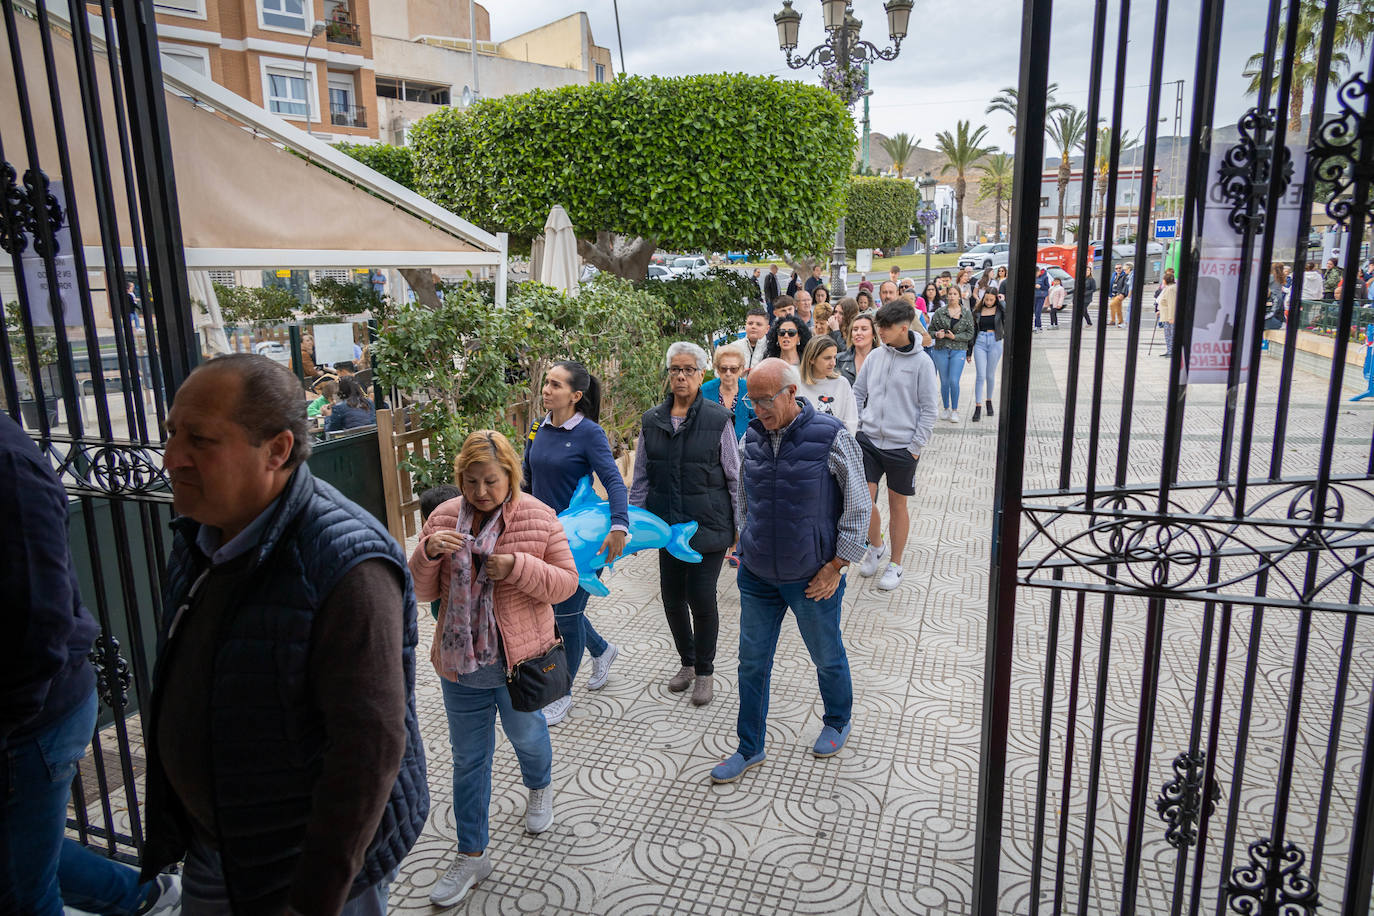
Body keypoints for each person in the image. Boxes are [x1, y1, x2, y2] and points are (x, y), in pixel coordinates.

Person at [148, 353, 426, 915]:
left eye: (199, 440)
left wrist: (314, 898)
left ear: (276, 450)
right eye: (172, 433)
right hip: (219, 847)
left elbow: (367, 750)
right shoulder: (203, 530)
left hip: (303, 873)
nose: (172, 458)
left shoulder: (346, 563)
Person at [1, 413, 182, 916]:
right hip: (28, 711)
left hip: (28, 720)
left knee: (20, 889)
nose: (171, 457)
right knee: (25, 853)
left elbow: (40, 621)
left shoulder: (9, 465)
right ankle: (148, 895)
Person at [409, 431, 577, 907]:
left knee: (527, 737)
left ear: (510, 476)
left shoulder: (539, 517)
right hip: (461, 667)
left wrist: (519, 566)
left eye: (490, 481)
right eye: (471, 481)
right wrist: (427, 553)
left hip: (518, 663)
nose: (480, 492)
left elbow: (566, 585)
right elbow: (419, 590)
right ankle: (471, 854)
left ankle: (539, 787)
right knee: (468, 760)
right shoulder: (443, 518)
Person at [708, 359, 871, 783]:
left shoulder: (831, 436)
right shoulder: (751, 437)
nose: (758, 409)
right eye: (752, 400)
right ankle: (749, 747)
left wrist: (837, 565)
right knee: (751, 663)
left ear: (791, 393)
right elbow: (743, 495)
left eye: (765, 400)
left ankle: (837, 720)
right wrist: (744, 542)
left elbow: (859, 504)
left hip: (813, 576)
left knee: (826, 654)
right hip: (758, 574)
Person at [630, 343, 740, 706]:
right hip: (667, 526)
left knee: (702, 597)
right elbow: (642, 476)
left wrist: (740, 525)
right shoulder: (652, 420)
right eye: (675, 369)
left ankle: (705, 672)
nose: (681, 376)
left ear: (701, 374)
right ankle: (687, 663)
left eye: (689, 370)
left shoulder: (717, 418)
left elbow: (734, 476)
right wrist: (632, 522)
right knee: (673, 598)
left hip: (707, 525)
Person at [522, 361, 626, 725]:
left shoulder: (590, 434)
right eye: (546, 383)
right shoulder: (538, 426)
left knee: (564, 617)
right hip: (542, 535)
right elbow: (528, 481)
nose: (546, 389)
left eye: (555, 384)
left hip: (580, 541)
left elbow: (613, 481)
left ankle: (561, 694)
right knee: (561, 611)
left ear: (576, 395)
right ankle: (603, 650)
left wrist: (619, 526)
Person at [852, 300, 939, 592]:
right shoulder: (876, 356)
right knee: (863, 502)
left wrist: (915, 446)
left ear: (904, 327)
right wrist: (858, 427)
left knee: (897, 504)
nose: (880, 332)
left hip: (903, 447)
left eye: (885, 327)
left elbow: (929, 409)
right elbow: (858, 392)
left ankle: (896, 563)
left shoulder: (922, 363)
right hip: (869, 442)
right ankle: (876, 546)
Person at [928, 288, 976, 421]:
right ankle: (946, 408)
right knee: (944, 381)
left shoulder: (966, 313)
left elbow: (970, 333)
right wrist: (937, 334)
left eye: (955, 294)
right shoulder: (939, 312)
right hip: (941, 348)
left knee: (954, 381)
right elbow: (930, 331)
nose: (952, 296)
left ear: (960, 296)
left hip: (958, 349)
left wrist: (955, 337)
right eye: (950, 294)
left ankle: (955, 410)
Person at [798, 335, 859, 435]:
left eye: (834, 357)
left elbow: (851, 421)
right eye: (827, 358)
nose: (833, 363)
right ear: (811, 359)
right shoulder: (798, 384)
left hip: (836, 443)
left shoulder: (842, 383)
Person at [702, 345, 755, 440]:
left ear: (741, 369)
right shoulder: (705, 391)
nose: (728, 373)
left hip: (745, 448)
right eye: (723, 368)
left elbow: (758, 422)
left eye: (733, 369)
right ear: (717, 369)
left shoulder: (751, 390)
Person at [968, 288, 1005, 423]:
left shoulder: (1001, 310)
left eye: (991, 299)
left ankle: (989, 400)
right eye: (986, 299)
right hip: (980, 342)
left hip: (995, 341)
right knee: (980, 375)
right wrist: (969, 351)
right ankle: (978, 406)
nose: (988, 302)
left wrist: (1003, 302)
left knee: (990, 375)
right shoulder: (977, 311)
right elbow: (972, 331)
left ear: (996, 299)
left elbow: (1009, 318)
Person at [836, 310, 876, 384]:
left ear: (873, 334)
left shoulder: (882, 360)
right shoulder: (839, 359)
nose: (858, 333)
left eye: (864, 329)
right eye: (855, 329)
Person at [1157, 268, 1178, 357]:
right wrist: (1159, 310)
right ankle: (1169, 350)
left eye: (1163, 279)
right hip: (1166, 315)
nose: (1163, 281)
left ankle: (1172, 351)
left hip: (1170, 317)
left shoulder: (1170, 289)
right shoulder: (1169, 288)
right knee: (1168, 333)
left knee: (1171, 334)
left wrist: (1171, 317)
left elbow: (1172, 303)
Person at [1266, 264, 1288, 331]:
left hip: (1273, 297)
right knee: (1279, 313)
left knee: (1272, 313)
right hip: (1280, 297)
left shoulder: (1272, 277)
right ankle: (1281, 325)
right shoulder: (1281, 276)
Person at [1033, 266, 1050, 332]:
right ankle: (1038, 326)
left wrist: (1041, 286)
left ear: (1039, 271)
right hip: (1035, 296)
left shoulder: (1045, 277)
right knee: (1035, 311)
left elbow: (1047, 287)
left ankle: (1038, 326)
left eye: (1036, 273)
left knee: (1038, 311)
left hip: (1041, 296)